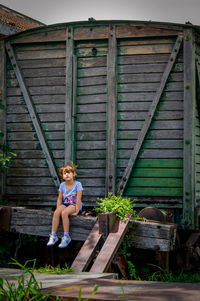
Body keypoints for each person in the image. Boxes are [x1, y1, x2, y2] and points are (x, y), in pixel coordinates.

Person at [47, 162, 83, 248]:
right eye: (64, 173)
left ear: (73, 174)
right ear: (62, 176)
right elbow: (60, 198)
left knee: (64, 213)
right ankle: (53, 236)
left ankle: (66, 237)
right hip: (65, 204)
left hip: (74, 205)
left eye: (68, 172)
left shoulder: (78, 184)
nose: (66, 175)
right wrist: (57, 209)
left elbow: (78, 198)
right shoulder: (62, 185)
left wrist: (77, 211)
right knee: (57, 213)